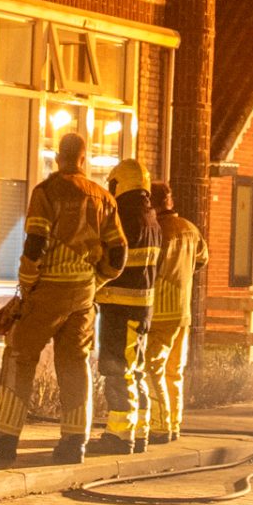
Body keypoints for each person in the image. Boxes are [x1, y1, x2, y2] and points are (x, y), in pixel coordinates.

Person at [0, 131, 125, 467]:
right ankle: (75, 442)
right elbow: (118, 255)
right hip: (84, 295)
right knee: (75, 362)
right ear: (84, 159)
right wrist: (94, 281)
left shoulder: (46, 192)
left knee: (19, 355)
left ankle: (4, 435)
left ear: (59, 157)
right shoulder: (105, 198)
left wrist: (27, 285)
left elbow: (35, 243)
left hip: (48, 290)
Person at [89, 158, 160, 456]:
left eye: (113, 183)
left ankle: (119, 435)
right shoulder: (150, 218)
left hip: (121, 307)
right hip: (140, 308)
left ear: (121, 183)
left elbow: (114, 260)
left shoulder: (127, 217)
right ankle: (138, 431)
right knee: (135, 370)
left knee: (119, 370)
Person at [144, 181, 208, 445]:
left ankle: (159, 426)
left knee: (151, 367)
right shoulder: (190, 229)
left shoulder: (158, 230)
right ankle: (174, 423)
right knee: (174, 370)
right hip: (183, 311)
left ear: (153, 203)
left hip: (160, 310)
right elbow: (202, 259)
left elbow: (150, 266)